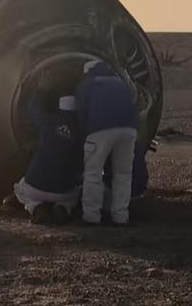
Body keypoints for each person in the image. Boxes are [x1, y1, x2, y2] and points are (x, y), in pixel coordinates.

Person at [75, 60, 138, 225]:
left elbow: (80, 112)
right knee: (123, 174)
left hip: (100, 130)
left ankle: (91, 216)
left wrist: (82, 136)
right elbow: (135, 102)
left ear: (88, 71)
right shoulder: (121, 82)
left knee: (93, 173)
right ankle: (120, 216)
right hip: (128, 130)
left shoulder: (88, 83)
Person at [12, 88, 83, 224]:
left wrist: (37, 88)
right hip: (64, 192)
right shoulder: (82, 132)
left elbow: (33, 110)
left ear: (60, 107)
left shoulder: (49, 121)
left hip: (36, 186)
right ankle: (63, 208)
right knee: (76, 192)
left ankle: (36, 208)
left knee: (19, 188)